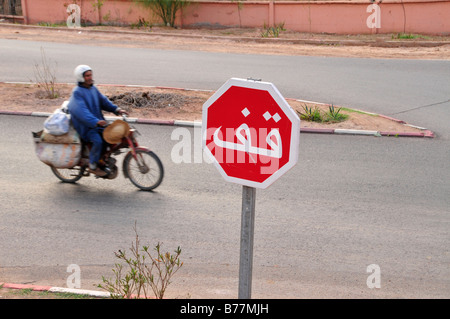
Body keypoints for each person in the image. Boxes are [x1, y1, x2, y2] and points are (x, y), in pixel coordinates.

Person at [68, 65, 128, 176]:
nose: (90, 77)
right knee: (98, 141)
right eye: (87, 76)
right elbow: (82, 112)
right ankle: (93, 165)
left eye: (90, 75)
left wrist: (117, 109)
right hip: (86, 127)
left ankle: (102, 159)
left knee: (110, 137)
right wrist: (95, 121)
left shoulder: (93, 89)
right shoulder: (77, 93)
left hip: (97, 124)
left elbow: (104, 101)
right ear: (80, 77)